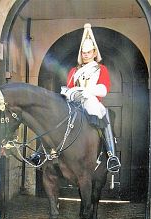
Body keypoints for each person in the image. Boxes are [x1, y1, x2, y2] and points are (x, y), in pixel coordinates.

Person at [61, 23, 121, 173]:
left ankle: (111, 155)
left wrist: (87, 91)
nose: (86, 55)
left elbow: (104, 89)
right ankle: (43, 153)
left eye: (89, 52)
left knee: (102, 113)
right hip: (74, 101)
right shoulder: (74, 70)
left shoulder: (101, 69)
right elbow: (68, 86)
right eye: (83, 52)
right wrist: (73, 93)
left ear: (94, 52)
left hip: (92, 101)